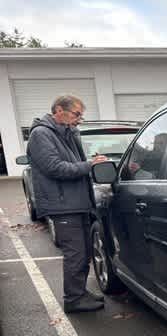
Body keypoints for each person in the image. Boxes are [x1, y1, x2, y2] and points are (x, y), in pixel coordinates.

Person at [27, 95, 107, 313]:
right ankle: (73, 299)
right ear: (59, 110)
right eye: (76, 114)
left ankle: (79, 292)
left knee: (84, 252)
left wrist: (91, 161)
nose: (79, 119)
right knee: (76, 254)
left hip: (76, 202)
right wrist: (88, 165)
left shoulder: (67, 133)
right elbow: (55, 167)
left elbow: (73, 162)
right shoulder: (41, 134)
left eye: (80, 115)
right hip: (62, 205)